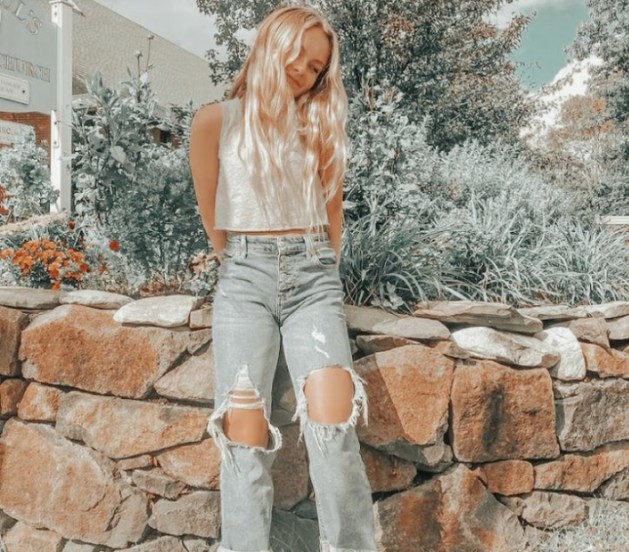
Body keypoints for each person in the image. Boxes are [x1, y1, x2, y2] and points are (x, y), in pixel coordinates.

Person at [188, 4, 377, 552]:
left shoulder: (318, 125)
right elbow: (212, 216)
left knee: (333, 426)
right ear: (272, 45)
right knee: (243, 435)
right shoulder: (214, 120)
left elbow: (332, 213)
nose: (305, 71)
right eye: (299, 55)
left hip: (313, 282)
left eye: (317, 67)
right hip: (243, 281)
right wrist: (244, 262)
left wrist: (318, 268)